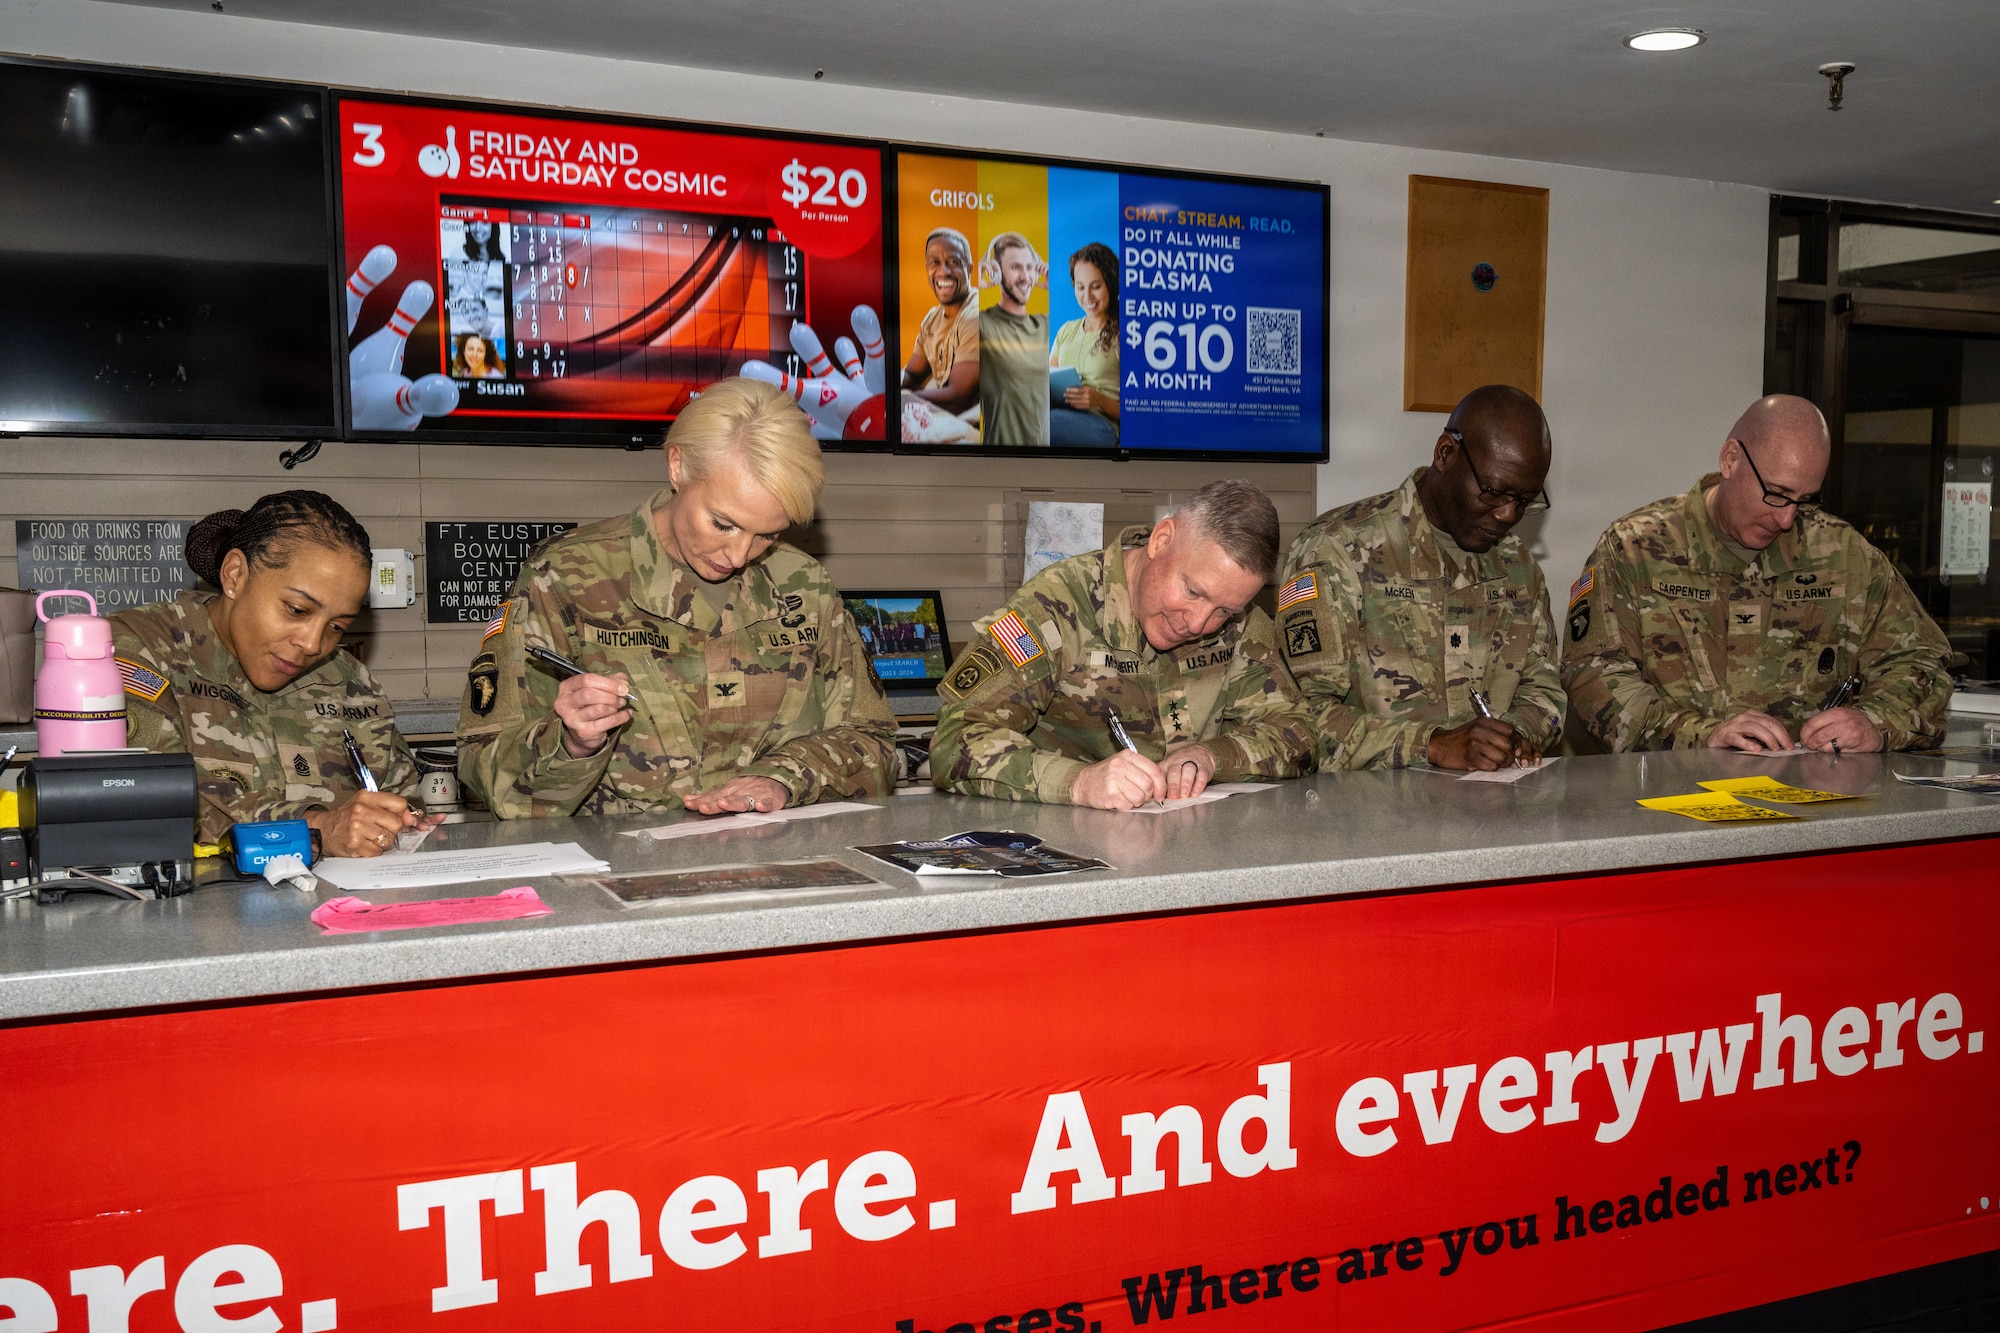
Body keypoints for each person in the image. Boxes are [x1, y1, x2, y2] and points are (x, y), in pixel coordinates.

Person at [457, 376, 900, 817]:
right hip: (620, 872)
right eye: (722, 524)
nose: (739, 554)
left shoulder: (805, 586)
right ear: (678, 468)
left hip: (773, 869)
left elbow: (874, 744)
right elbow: (485, 773)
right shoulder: (565, 577)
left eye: (767, 534)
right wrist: (571, 744)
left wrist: (784, 778)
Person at [1562, 394, 1953, 753]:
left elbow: (1920, 661)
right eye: (1777, 493)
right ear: (1730, 459)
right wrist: (1698, 734)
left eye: (1804, 500)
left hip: (1812, 800)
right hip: (1669, 797)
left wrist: (1874, 721)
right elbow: (1591, 672)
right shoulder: (1634, 549)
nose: (1786, 518)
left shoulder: (1845, 556)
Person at [931, 480, 1312, 809]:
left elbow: (1298, 731)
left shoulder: (1242, 623)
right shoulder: (1053, 610)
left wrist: (1211, 757)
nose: (1198, 623)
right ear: (1161, 540)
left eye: (1224, 610)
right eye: (1193, 591)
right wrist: (1078, 782)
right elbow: (955, 741)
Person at [110, 491, 432, 856]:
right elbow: (145, 804)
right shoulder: (136, 648)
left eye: (338, 626)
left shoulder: (349, 681)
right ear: (235, 575)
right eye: (297, 610)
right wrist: (317, 828)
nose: (313, 644)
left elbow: (404, 799)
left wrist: (404, 822)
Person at [1278, 385, 1565, 771]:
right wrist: (1432, 746)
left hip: (1491, 814)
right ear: (1445, 453)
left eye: (1525, 501)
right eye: (1495, 492)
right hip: (1364, 816)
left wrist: (1508, 737)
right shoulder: (1338, 549)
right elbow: (1299, 719)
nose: (1508, 515)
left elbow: (1544, 692)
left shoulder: (1518, 568)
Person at [977, 231, 1050, 446]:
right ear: (996, 272)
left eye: (1029, 268)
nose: (1026, 277)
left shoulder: (1046, 324)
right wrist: (975, 286)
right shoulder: (982, 324)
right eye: (1016, 267)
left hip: (1049, 466)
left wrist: (1056, 286)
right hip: (998, 467)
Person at [900, 227, 981, 415]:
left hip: (984, 433)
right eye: (934, 262)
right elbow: (912, 374)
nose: (943, 271)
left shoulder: (976, 316)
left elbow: (958, 398)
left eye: (953, 262)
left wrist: (900, 400)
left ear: (969, 269)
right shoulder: (932, 318)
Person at [1048, 242, 1121, 449]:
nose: (1087, 297)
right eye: (1080, 287)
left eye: (1096, 286)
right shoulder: (1066, 331)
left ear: (1111, 283)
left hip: (1102, 426)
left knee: (1046, 424)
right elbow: (1049, 380)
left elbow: (1143, 412)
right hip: (1062, 416)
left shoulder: (1126, 333)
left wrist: (1099, 400)